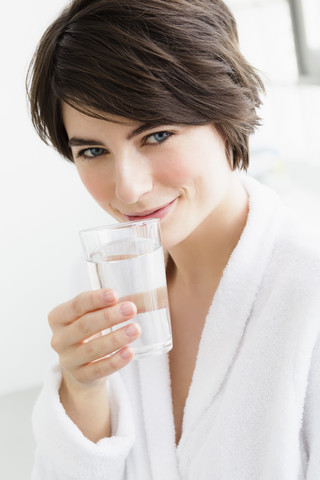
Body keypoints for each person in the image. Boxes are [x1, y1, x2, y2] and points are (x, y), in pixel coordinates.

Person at [26, 0, 320, 478]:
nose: (128, 189)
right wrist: (81, 389)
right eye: (94, 150)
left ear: (227, 114)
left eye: (157, 135)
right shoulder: (104, 280)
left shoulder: (308, 290)